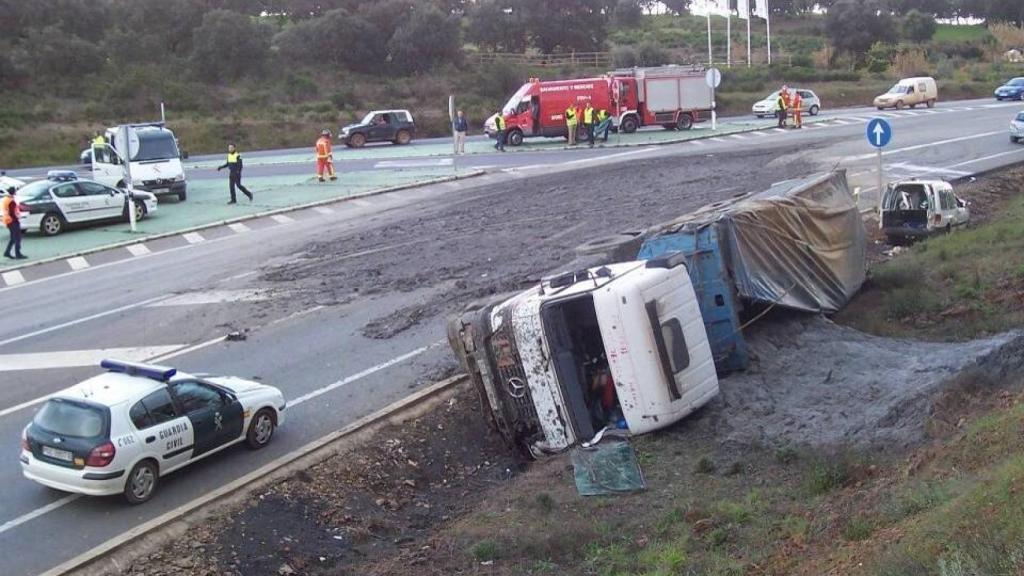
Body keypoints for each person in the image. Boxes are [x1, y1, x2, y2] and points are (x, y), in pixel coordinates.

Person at [2, 187, 25, 260]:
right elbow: (12, 212)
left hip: (7, 220)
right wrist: (17, 219)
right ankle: (18, 254)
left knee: (13, 238)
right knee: (17, 237)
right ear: (14, 192)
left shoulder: (6, 199)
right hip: (12, 221)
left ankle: (7, 252)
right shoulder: (11, 201)